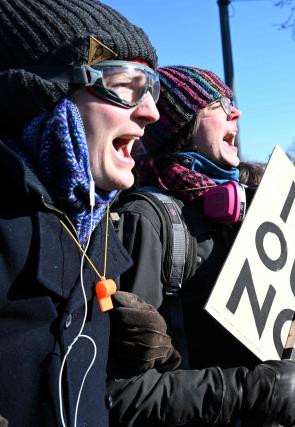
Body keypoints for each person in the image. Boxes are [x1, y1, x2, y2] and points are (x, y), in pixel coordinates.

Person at [110, 66, 295, 426]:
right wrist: (249, 392)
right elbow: (124, 393)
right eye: (217, 104)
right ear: (180, 126)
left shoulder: (242, 209)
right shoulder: (145, 219)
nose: (237, 112)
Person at [0, 0, 163, 425]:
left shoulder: (96, 227)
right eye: (126, 84)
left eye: (151, 88)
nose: (151, 111)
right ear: (46, 91)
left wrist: (112, 369)